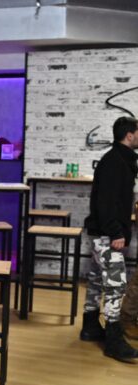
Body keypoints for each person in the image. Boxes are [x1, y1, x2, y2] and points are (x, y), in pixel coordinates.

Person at [82, 116, 138, 361]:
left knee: (96, 280)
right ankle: (114, 341)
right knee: (115, 286)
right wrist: (116, 232)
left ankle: (90, 327)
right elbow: (106, 202)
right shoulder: (115, 162)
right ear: (129, 135)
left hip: (102, 233)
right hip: (108, 235)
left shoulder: (120, 160)